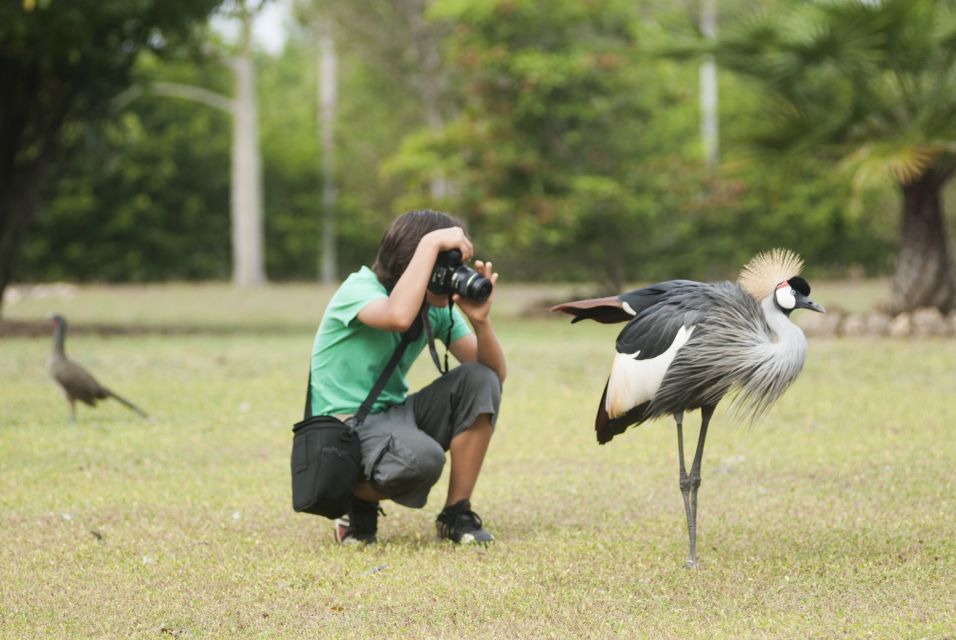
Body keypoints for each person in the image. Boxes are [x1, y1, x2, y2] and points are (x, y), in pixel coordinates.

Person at [309, 209, 507, 545]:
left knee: (480, 379)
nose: (453, 275)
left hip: (396, 416)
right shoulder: (359, 288)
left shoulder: (435, 307)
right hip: (344, 428)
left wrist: (481, 322)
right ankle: (354, 499)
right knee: (422, 460)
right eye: (446, 266)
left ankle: (455, 514)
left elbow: (493, 374)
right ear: (412, 261)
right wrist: (431, 242)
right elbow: (398, 316)